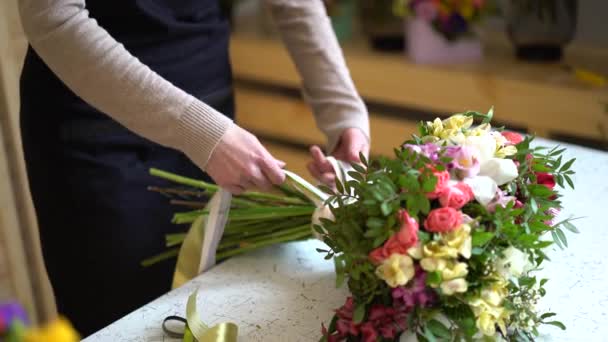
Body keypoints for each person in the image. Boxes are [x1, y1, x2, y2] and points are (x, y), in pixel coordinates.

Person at [17, 0, 370, 336]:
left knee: (209, 312)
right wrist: (203, 134)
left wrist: (343, 113)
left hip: (210, 111)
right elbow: (53, 17)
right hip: (98, 134)